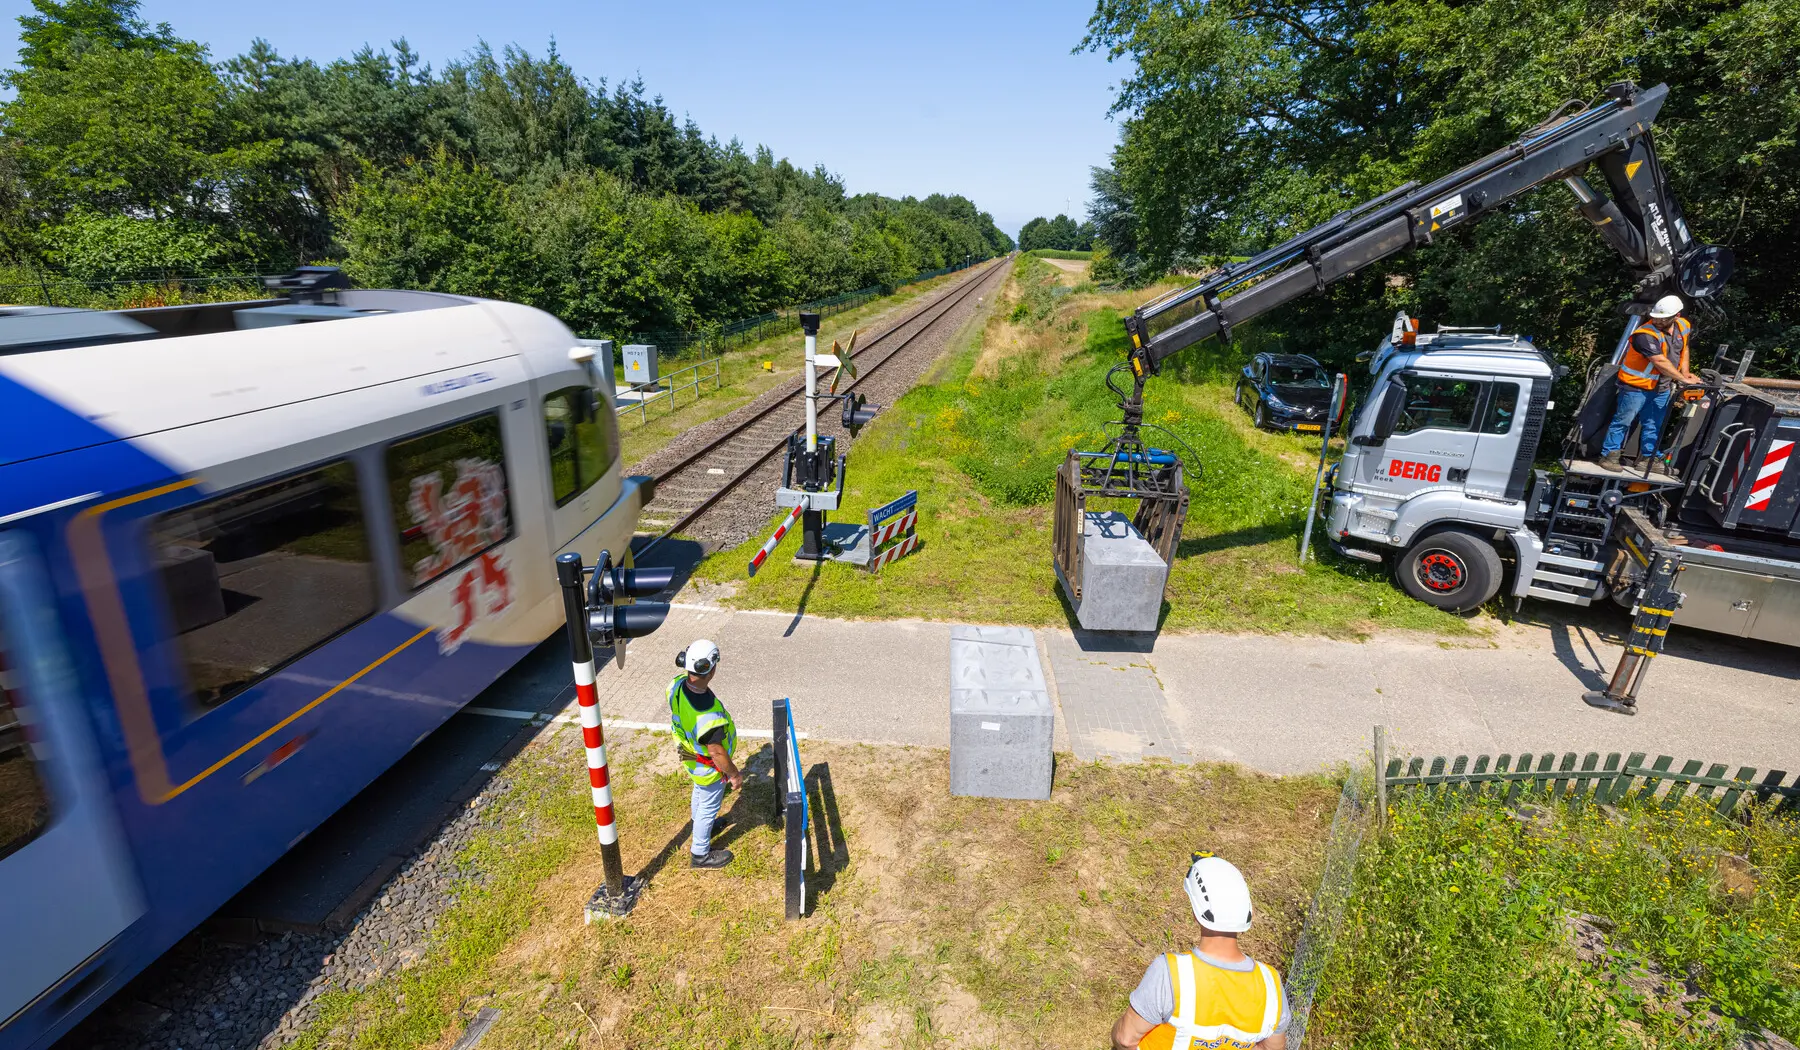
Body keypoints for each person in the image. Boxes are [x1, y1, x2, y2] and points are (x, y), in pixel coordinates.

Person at [1111, 854, 1289, 1050]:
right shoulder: (1271, 985)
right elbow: (1272, 1047)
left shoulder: (1171, 974)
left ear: (1196, 913)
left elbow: (1125, 1038)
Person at [1600, 294, 1703, 473]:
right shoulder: (1644, 335)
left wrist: (1685, 373)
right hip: (1636, 387)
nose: (1658, 321)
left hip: (1661, 387)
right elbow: (1660, 362)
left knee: (1654, 423)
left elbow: (1684, 348)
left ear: (1677, 316)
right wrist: (1683, 379)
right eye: (1655, 317)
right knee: (1623, 421)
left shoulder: (1683, 326)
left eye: (1663, 319)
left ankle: (1649, 459)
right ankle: (1609, 455)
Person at [668, 639, 742, 869]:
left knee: (700, 793)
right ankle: (700, 854)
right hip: (709, 767)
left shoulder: (676, 685)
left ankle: (699, 823)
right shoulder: (708, 716)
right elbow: (717, 752)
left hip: (691, 756)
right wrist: (734, 774)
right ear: (711, 670)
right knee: (709, 806)